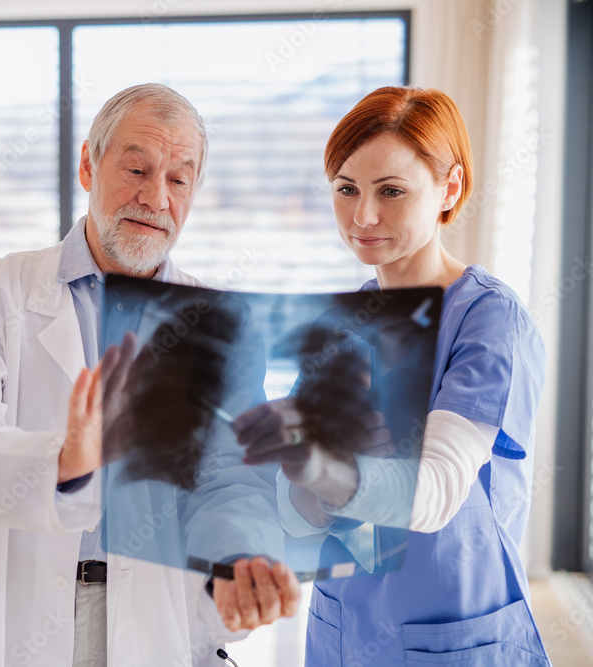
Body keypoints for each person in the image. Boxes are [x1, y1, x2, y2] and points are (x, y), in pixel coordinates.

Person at [0, 83, 299, 667]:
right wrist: (62, 462)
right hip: (11, 617)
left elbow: (232, 476)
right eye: (137, 170)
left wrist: (237, 559)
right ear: (89, 165)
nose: (156, 198)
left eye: (178, 180)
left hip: (154, 621)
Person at [231, 86, 549, 664]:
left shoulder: (487, 319)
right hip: (343, 626)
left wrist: (323, 469)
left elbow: (435, 494)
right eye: (346, 188)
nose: (363, 216)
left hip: (451, 627)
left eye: (392, 191)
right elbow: (297, 515)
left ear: (450, 188)